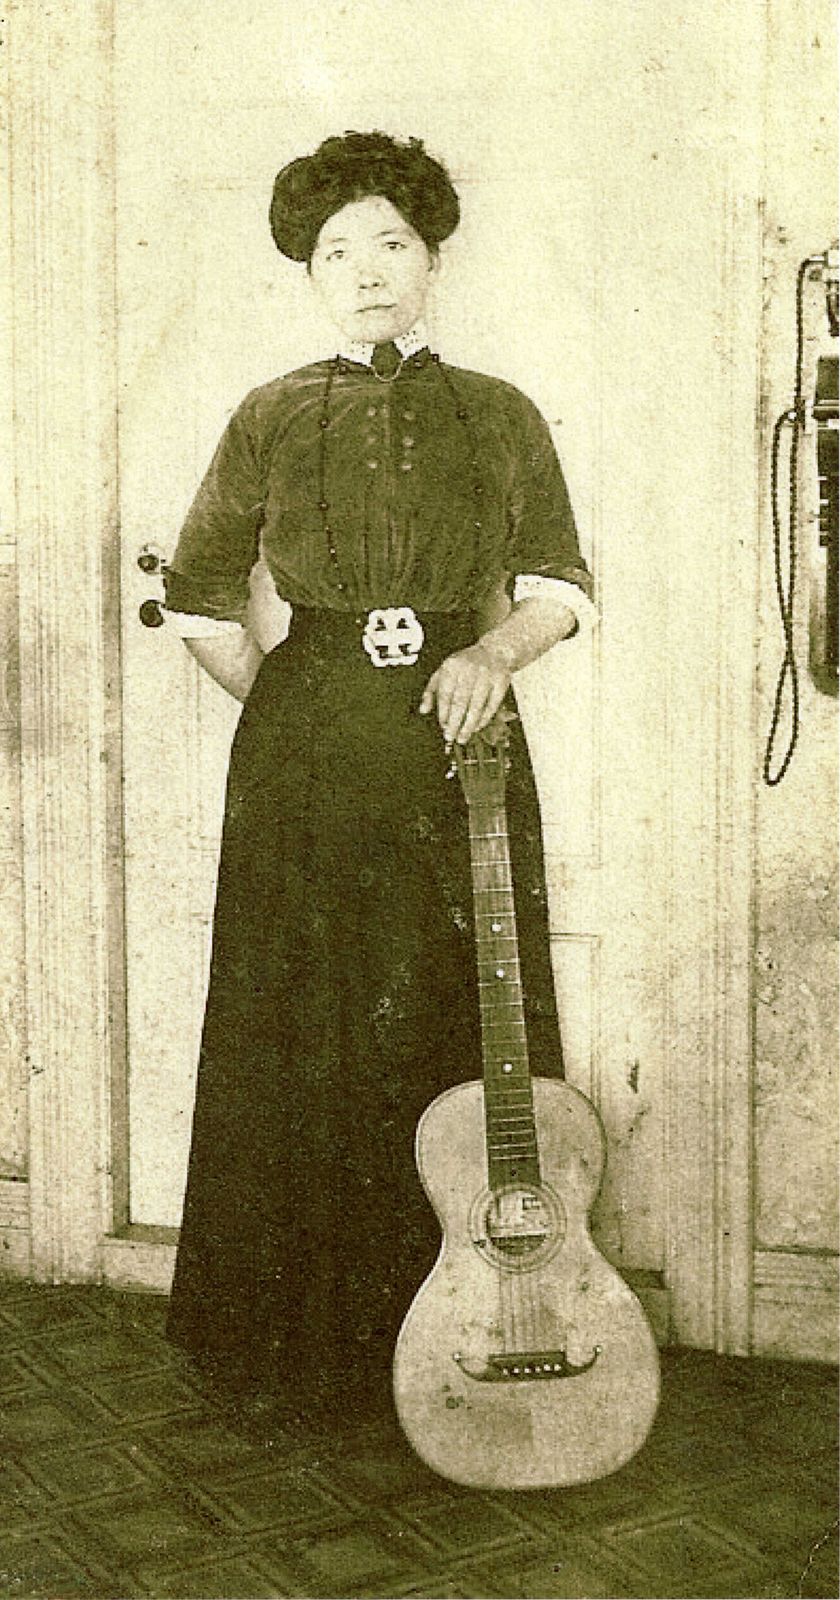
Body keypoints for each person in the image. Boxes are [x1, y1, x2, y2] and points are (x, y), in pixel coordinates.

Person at [162, 131, 594, 1424]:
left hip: (464, 750)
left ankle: (472, 1332)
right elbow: (199, 599)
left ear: (432, 259)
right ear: (308, 272)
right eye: (337, 250)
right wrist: (295, 707)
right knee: (301, 1026)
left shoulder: (500, 412)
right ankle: (298, 1356)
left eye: (391, 243)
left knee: (456, 1024)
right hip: (306, 757)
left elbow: (558, 585)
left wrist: (494, 655)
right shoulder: (268, 414)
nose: (366, 271)